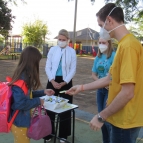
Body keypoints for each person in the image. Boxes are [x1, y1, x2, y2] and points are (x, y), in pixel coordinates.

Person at [66, 3, 143, 143]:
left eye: (101, 25)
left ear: (109, 20)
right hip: (122, 118)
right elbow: (110, 78)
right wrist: (81, 87)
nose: (101, 30)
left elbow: (128, 92)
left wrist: (102, 116)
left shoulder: (128, 46)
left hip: (125, 120)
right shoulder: (124, 45)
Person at [9, 46, 55, 143]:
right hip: (20, 123)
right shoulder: (22, 79)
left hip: (23, 121)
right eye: (36, 62)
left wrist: (43, 92)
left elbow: (27, 95)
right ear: (32, 62)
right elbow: (20, 104)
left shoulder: (24, 76)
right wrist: (38, 101)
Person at [44, 29, 77, 143]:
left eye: (64, 40)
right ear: (57, 39)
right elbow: (47, 67)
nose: (61, 41)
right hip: (52, 81)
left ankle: (63, 134)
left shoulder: (72, 51)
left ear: (68, 40)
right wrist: (52, 81)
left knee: (65, 108)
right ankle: (48, 132)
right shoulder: (52, 50)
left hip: (66, 82)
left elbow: (73, 69)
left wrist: (65, 82)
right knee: (49, 107)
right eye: (59, 39)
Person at [92, 37, 115, 143]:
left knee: (107, 119)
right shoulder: (98, 56)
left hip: (110, 90)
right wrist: (100, 82)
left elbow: (116, 75)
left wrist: (108, 83)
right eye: (99, 42)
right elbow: (93, 74)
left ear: (109, 43)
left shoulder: (113, 56)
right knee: (100, 116)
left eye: (103, 42)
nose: (101, 44)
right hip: (100, 90)